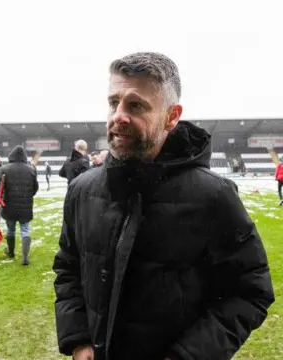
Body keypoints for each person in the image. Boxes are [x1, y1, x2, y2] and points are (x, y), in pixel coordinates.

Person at [53, 52, 274, 360]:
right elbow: (68, 267)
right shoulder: (82, 190)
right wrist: (78, 339)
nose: (118, 115)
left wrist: (187, 356)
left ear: (172, 116)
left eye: (136, 104)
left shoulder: (214, 196)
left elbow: (250, 291)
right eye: (113, 102)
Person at [0, 145, 38, 265]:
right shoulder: (31, 169)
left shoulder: (5, 169)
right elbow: (35, 188)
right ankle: (25, 257)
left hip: (9, 205)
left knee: (11, 229)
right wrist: (27, 196)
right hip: (25, 206)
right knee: (25, 230)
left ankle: (11, 252)